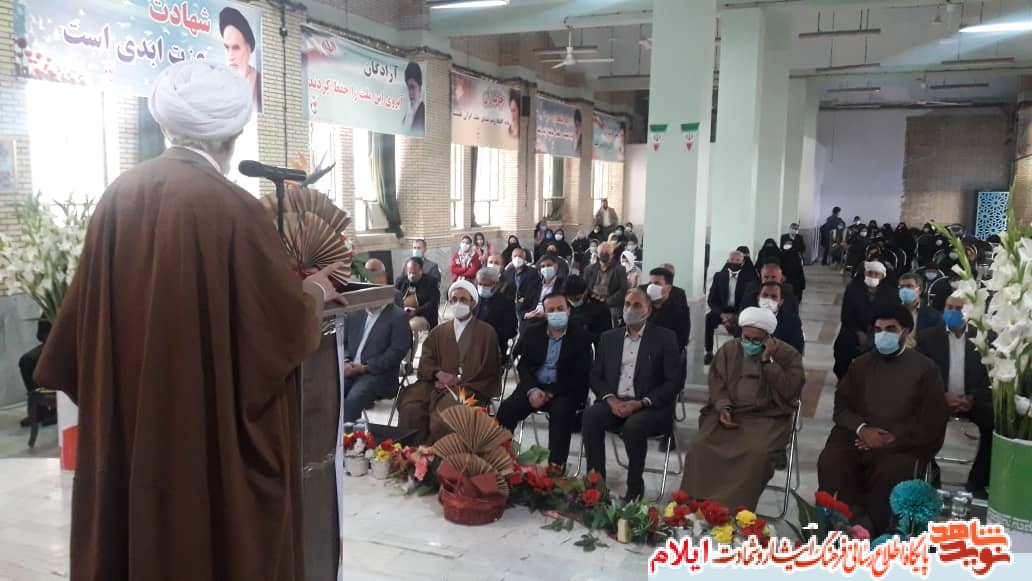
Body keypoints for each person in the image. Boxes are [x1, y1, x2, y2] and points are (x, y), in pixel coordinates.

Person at [32, 61, 341, 580]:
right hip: (204, 446)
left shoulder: (115, 199)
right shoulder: (234, 210)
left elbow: (78, 338)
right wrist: (312, 292)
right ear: (233, 134)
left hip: (132, 434)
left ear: (166, 125)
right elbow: (281, 332)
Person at [818, 305, 949, 534]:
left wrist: (893, 441)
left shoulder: (926, 370)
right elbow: (842, 408)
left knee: (891, 471)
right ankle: (846, 527)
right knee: (832, 460)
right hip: (859, 438)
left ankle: (878, 534)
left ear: (905, 332)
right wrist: (862, 429)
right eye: (878, 330)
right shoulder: (861, 365)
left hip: (902, 444)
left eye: (890, 329)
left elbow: (932, 422)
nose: (883, 334)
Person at [681, 307, 805, 509]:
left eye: (756, 340)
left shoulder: (789, 356)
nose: (749, 343)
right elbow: (717, 383)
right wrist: (723, 408)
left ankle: (735, 509)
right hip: (730, 413)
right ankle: (696, 504)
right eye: (745, 338)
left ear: (768, 338)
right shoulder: (730, 349)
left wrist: (768, 361)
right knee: (699, 447)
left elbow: (790, 391)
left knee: (756, 454)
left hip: (767, 418)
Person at [582, 289, 682, 500]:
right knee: (591, 416)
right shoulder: (609, 338)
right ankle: (596, 485)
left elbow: (674, 382)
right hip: (615, 402)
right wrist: (611, 400)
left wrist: (641, 402)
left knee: (633, 426)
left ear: (649, 310)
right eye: (627, 304)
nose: (630, 309)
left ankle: (634, 488)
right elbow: (596, 376)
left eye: (637, 305)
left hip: (650, 407)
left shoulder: (665, 338)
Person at [398, 281, 501, 444]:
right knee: (411, 407)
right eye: (454, 299)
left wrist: (457, 380)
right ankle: (412, 454)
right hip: (434, 384)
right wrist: (438, 374)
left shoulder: (487, 333)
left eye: (463, 299)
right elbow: (426, 359)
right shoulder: (438, 331)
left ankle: (439, 456)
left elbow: (489, 369)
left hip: (468, 388)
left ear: (473, 303)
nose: (458, 303)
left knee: (445, 418)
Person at [496, 293, 593, 466]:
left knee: (561, 413)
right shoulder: (533, 332)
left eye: (560, 309)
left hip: (565, 390)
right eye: (551, 310)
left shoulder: (581, 337)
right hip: (534, 386)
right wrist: (532, 390)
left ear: (568, 311)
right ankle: (501, 460)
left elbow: (580, 374)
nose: (556, 313)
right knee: (506, 410)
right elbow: (523, 366)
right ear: (545, 314)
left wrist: (550, 392)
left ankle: (556, 468)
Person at [916, 295, 993, 498]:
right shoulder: (927, 337)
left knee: (994, 424)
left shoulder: (984, 338)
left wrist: (971, 398)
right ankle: (931, 474)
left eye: (958, 309)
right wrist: (941, 397)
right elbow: (920, 374)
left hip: (973, 400)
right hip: (938, 399)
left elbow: (990, 376)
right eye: (949, 307)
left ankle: (978, 480)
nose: (952, 312)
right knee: (920, 421)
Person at [338, 297, 411, 423]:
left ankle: (347, 434)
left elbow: (396, 352)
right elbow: (342, 342)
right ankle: (331, 433)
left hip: (378, 374)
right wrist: (345, 361)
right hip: (350, 369)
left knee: (352, 400)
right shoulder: (355, 313)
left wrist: (365, 368)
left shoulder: (399, 317)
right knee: (331, 395)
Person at [832, 261, 898, 380]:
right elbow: (846, 315)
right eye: (870, 273)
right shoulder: (853, 289)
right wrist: (859, 332)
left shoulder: (891, 294)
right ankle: (844, 379)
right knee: (842, 347)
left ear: (882, 276)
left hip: (880, 331)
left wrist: (874, 333)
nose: (873, 276)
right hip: (854, 329)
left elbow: (892, 316)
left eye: (876, 274)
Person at [704, 251, 759, 365]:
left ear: (742, 263)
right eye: (732, 260)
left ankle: (738, 354)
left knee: (744, 324)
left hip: (740, 311)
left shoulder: (750, 279)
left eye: (738, 260)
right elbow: (711, 300)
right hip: (722, 311)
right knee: (708, 319)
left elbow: (750, 302)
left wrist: (736, 316)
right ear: (728, 261)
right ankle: (709, 352)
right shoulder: (719, 276)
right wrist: (721, 314)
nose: (734, 262)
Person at [219, 7, 261, 110]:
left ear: (249, 48)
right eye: (227, 48)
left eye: (236, 48)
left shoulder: (260, 86)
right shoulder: (219, 87)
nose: (230, 56)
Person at [645, 268, 691, 352]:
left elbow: (681, 340)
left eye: (657, 283)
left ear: (668, 288)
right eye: (650, 283)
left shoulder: (680, 310)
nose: (651, 287)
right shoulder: (643, 306)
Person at [475, 267, 517, 359]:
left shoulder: (506, 303)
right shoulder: (473, 300)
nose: (482, 287)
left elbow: (511, 330)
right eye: (480, 284)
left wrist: (488, 332)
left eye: (486, 285)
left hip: (494, 347)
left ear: (496, 284)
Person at [582, 242, 628, 325]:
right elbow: (584, 287)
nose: (604, 254)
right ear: (597, 254)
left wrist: (607, 302)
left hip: (611, 303)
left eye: (607, 252)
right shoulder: (589, 269)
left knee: (611, 315)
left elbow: (623, 289)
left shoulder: (620, 269)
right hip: (592, 301)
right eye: (602, 252)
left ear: (612, 254)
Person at [897, 273, 944, 347]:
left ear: (920, 290)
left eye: (909, 286)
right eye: (901, 287)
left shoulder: (934, 316)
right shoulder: (891, 311)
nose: (905, 290)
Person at [757, 282, 805, 354]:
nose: (768, 300)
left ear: (781, 301)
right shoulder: (747, 317)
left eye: (773, 297)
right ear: (758, 298)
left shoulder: (792, 322)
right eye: (765, 295)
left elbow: (796, 351)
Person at [566, 274, 612, 347]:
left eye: (577, 299)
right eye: (570, 299)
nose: (573, 302)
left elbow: (605, 336)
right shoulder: (562, 301)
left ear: (585, 292)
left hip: (590, 343)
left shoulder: (599, 305)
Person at [522, 254, 565, 321]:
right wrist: (527, 315)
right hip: (532, 319)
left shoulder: (563, 284)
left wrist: (546, 315)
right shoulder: (534, 284)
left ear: (556, 266)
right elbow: (524, 307)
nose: (546, 268)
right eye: (543, 266)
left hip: (552, 319)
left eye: (549, 265)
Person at [505, 247, 542, 316]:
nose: (517, 258)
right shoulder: (508, 272)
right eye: (515, 256)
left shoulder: (532, 272)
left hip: (526, 309)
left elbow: (533, 293)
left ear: (524, 258)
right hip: (510, 309)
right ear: (512, 258)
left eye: (520, 256)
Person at [402, 62, 425, 133]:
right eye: (409, 88)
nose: (410, 93)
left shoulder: (423, 113)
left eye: (413, 87)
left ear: (420, 88)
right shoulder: (406, 118)